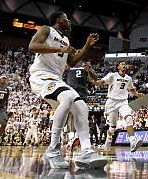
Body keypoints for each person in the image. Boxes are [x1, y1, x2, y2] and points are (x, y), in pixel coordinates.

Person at [28, 11, 105, 169]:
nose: (69, 21)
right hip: (40, 76)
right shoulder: (46, 30)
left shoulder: (65, 39)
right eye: (66, 18)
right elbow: (32, 46)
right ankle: (53, 149)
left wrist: (86, 46)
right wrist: (58, 49)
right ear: (58, 20)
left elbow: (71, 62)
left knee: (82, 107)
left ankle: (86, 150)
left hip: (56, 79)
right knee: (68, 97)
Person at [92, 61, 144, 152]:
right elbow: (101, 82)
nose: (124, 65)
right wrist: (94, 82)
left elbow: (131, 90)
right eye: (122, 64)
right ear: (118, 67)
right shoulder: (112, 75)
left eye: (125, 64)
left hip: (123, 102)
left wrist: (137, 94)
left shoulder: (129, 78)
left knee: (129, 117)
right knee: (112, 127)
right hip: (112, 102)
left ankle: (132, 141)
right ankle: (108, 139)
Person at [64, 61, 93, 152]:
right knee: (81, 116)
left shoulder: (67, 66)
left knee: (71, 116)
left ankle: (72, 138)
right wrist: (90, 70)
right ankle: (76, 138)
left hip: (71, 92)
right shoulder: (85, 67)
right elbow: (94, 79)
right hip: (81, 94)